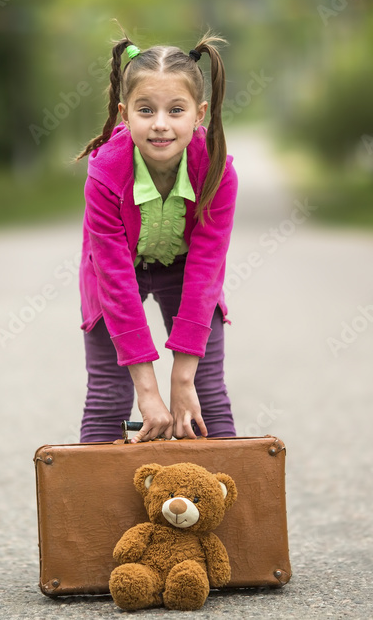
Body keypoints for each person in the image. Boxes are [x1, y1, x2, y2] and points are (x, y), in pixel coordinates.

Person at [74, 28, 238, 444]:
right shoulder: (106, 172)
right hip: (118, 272)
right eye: (145, 110)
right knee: (109, 397)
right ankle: (90, 506)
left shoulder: (216, 171)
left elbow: (206, 269)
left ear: (199, 114)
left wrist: (182, 381)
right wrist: (148, 392)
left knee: (206, 394)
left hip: (185, 269)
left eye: (175, 110)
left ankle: (225, 500)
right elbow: (114, 280)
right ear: (124, 112)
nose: (160, 125)